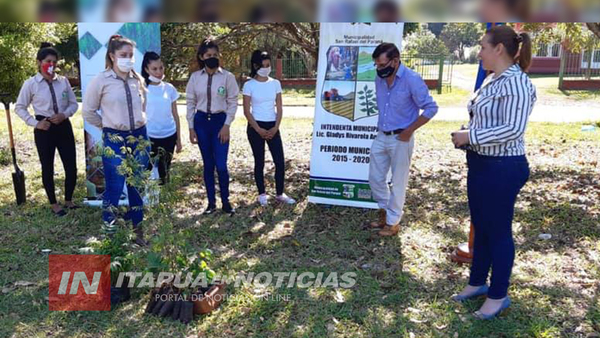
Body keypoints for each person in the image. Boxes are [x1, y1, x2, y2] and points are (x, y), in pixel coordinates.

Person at [450, 25, 536, 320]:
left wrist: (470, 137)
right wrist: (469, 133)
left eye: (483, 47)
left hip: (502, 168)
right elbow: (488, 121)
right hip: (481, 164)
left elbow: (513, 129)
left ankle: (498, 295)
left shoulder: (517, 83)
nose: (479, 53)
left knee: (498, 232)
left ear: (499, 49)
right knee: (482, 227)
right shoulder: (491, 80)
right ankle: (477, 283)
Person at [82, 34, 149, 245]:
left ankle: (138, 232)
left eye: (131, 55)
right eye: (123, 55)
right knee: (115, 186)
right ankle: (110, 235)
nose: (128, 59)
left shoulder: (137, 79)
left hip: (139, 137)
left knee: (137, 185)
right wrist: (107, 126)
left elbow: (143, 106)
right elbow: (88, 111)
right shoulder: (101, 80)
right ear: (112, 56)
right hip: (114, 138)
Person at [368, 42, 438, 236]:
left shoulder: (412, 79)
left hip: (402, 138)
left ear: (395, 61)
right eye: (377, 65)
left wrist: (409, 131)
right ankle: (384, 211)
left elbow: (431, 108)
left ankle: (392, 223)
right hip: (382, 135)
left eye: (382, 65)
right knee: (375, 178)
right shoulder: (379, 78)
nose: (379, 69)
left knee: (398, 181)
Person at [15, 42, 79, 216]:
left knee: (71, 165)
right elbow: (20, 107)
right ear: (39, 62)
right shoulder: (31, 84)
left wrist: (64, 115)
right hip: (44, 128)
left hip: (63, 126)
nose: (51, 65)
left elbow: (73, 104)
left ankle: (69, 199)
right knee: (47, 166)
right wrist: (35, 123)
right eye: (48, 61)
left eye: (55, 62)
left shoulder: (63, 81)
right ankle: (54, 203)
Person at [186, 38, 239, 215]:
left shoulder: (228, 77)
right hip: (201, 123)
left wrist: (227, 125)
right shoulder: (195, 78)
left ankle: (226, 201)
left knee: (221, 165)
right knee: (208, 164)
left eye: (215, 55)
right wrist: (191, 127)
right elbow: (190, 103)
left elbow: (232, 102)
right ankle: (211, 203)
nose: (212, 58)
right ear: (202, 57)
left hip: (219, 123)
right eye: (208, 55)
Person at [242, 50, 296, 206]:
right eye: (263, 65)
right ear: (255, 66)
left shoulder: (275, 83)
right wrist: (258, 129)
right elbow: (246, 111)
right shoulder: (249, 85)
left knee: (279, 161)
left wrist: (275, 127)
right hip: (255, 127)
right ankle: (262, 194)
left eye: (268, 65)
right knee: (259, 161)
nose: (266, 68)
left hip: (273, 126)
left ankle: (280, 193)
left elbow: (279, 108)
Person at [141, 51, 182, 186]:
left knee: (164, 172)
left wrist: (179, 139)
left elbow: (175, 115)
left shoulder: (169, 88)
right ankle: (145, 202)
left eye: (161, 68)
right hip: (150, 137)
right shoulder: (142, 89)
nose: (158, 72)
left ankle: (162, 201)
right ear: (146, 70)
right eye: (154, 69)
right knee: (146, 171)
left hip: (169, 135)